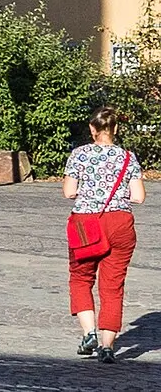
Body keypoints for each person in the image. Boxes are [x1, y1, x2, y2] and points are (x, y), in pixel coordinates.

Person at [65, 104, 145, 361]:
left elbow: (68, 192)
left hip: (87, 223)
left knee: (81, 278)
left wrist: (87, 193)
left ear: (92, 129)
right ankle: (108, 346)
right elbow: (139, 197)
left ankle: (90, 334)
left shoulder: (78, 155)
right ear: (115, 129)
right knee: (113, 286)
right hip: (121, 224)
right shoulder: (127, 157)